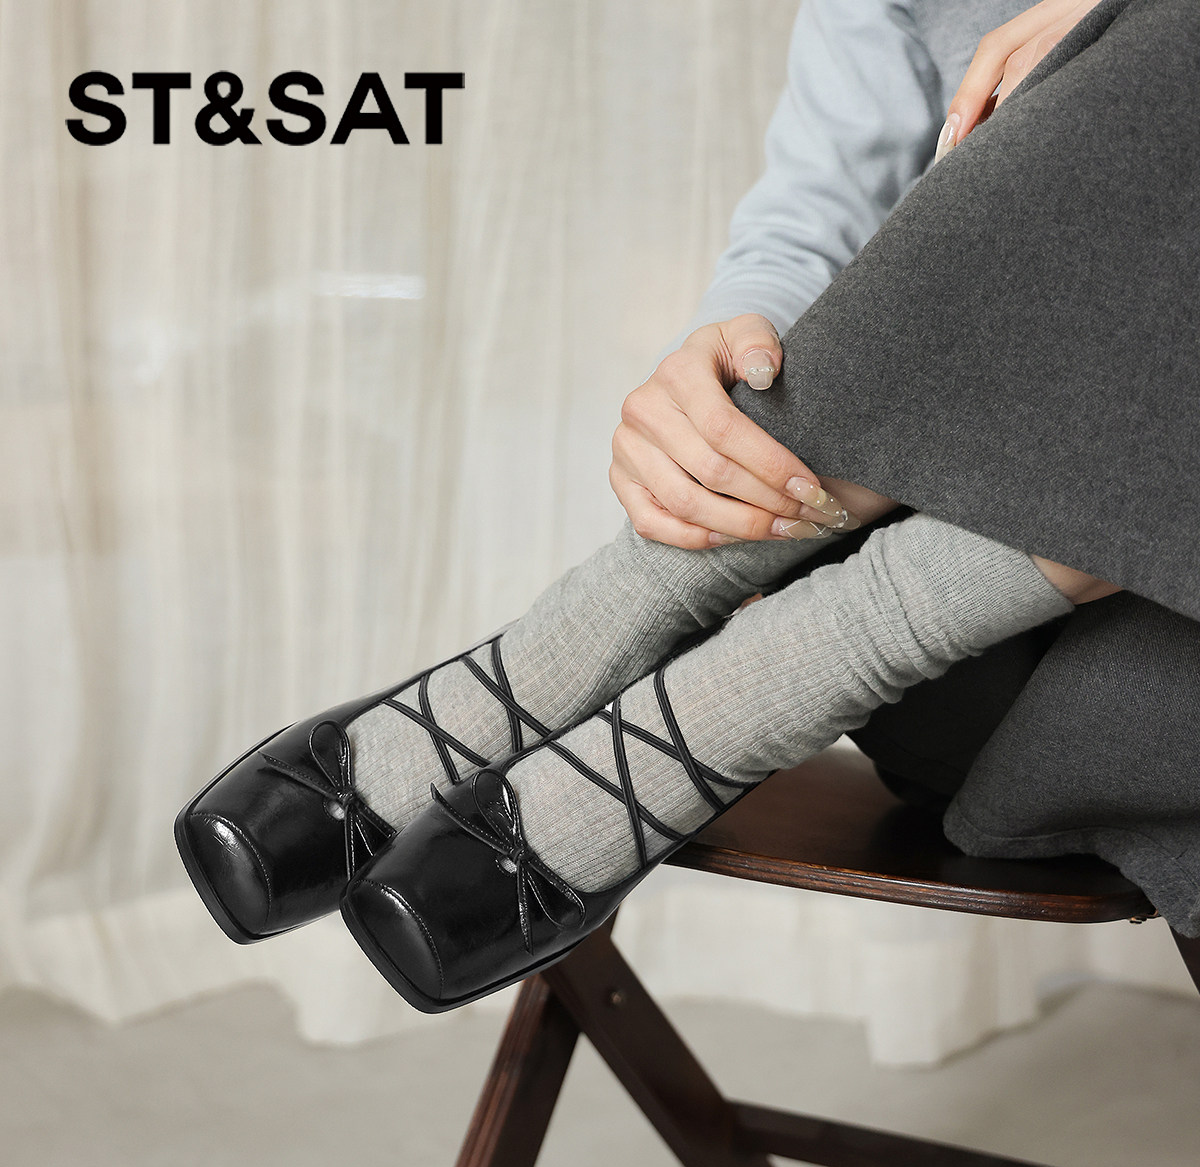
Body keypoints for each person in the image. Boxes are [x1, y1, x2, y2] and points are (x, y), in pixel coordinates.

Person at [175, 0, 1200, 1010]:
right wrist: (722, 369)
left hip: (1143, 681)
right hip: (974, 680)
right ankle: (634, 618)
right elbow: (818, 216)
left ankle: (735, 667)